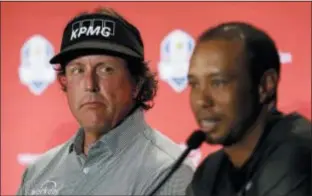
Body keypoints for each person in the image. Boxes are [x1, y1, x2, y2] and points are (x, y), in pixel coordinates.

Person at [17, 7, 194, 196]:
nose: (90, 85)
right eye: (77, 70)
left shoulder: (171, 172)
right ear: (64, 82)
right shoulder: (37, 173)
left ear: (137, 83)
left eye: (106, 69)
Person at [186, 22, 311, 196]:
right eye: (194, 84)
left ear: (265, 86)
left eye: (218, 82)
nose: (201, 100)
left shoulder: (298, 153)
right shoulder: (210, 171)